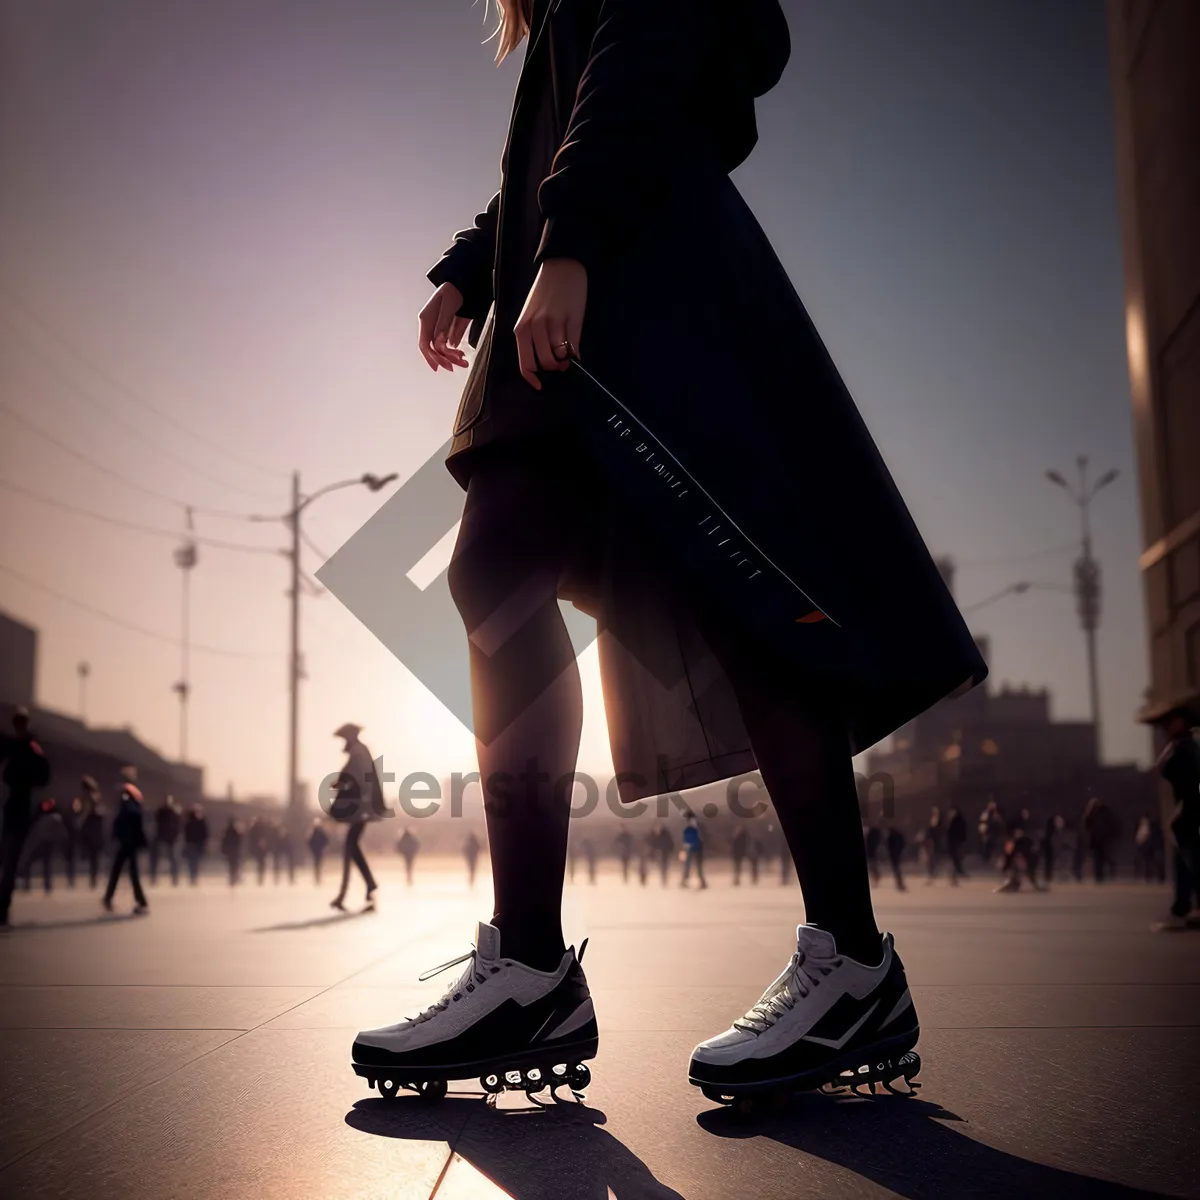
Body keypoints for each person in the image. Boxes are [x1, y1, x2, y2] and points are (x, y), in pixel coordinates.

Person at [350, 0, 984, 1106]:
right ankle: (540, 964)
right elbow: (566, 131)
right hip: (594, 268)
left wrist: (573, 242)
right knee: (520, 573)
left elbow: (644, 52)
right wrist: (474, 262)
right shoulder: (552, 21)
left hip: (638, 284)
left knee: (734, 596)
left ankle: (843, 963)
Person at [1149, 706, 1200, 931]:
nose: (1165, 729)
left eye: (1169, 724)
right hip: (1189, 810)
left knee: (1191, 861)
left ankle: (1183, 909)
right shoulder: (1188, 746)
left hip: (1191, 810)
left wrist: (1182, 811)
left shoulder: (1185, 748)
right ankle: (1181, 908)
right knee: (1186, 860)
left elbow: (1162, 768)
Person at [0, 707, 52, 926]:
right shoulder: (26, 747)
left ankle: (2, 904)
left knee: (10, 857)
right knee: (9, 857)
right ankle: (3, 903)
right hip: (16, 806)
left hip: (17, 806)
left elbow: (43, 776)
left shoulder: (24, 747)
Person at [329, 723, 382, 910]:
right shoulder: (359, 751)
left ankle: (357, 890)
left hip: (360, 807)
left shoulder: (358, 752)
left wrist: (345, 785)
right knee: (351, 848)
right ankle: (365, 887)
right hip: (361, 806)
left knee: (350, 847)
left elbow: (360, 778)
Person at [103, 776, 149, 914]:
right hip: (129, 843)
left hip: (127, 843)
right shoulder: (133, 805)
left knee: (122, 871)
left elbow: (122, 823)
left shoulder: (128, 805)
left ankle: (110, 898)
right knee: (126, 872)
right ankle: (139, 901)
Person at [20, 797, 68, 894]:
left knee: (47, 865)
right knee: (29, 863)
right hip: (38, 844)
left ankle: (47, 886)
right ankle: (27, 885)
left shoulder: (54, 817)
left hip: (48, 845)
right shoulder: (39, 816)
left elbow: (62, 833)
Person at [78, 777, 106, 889]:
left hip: (92, 829)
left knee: (93, 856)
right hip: (92, 829)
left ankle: (93, 878)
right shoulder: (90, 797)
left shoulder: (89, 798)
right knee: (93, 856)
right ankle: (93, 878)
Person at [149, 796, 182, 886]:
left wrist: (176, 836)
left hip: (171, 839)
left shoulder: (174, 813)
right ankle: (153, 878)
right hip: (161, 837)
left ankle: (175, 879)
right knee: (155, 858)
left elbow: (178, 826)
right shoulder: (160, 812)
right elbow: (155, 824)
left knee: (174, 859)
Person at [679, 813, 707, 889]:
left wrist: (686, 845)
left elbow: (689, 838)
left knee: (691, 866)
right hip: (693, 848)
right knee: (693, 866)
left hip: (694, 848)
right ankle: (701, 882)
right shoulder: (692, 827)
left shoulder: (692, 827)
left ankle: (686, 881)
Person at [183, 806, 209, 885]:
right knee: (194, 862)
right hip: (194, 843)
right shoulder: (199, 822)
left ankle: (193, 877)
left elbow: (205, 833)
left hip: (195, 843)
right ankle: (193, 877)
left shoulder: (198, 822)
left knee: (193, 862)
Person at [1041, 814, 1064, 889]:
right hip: (1050, 847)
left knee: (1050, 863)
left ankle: (1048, 876)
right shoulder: (1051, 831)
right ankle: (1047, 877)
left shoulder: (1053, 830)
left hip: (1051, 847)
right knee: (1049, 862)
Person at [945, 807, 967, 885]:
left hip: (956, 843)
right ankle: (954, 876)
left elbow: (960, 832)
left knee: (955, 860)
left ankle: (955, 876)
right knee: (955, 860)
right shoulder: (954, 821)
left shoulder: (956, 821)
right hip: (954, 843)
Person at [923, 806, 944, 884]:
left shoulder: (937, 822)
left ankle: (932, 873)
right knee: (930, 858)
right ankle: (931, 872)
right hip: (930, 842)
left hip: (933, 842)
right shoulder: (932, 821)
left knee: (932, 858)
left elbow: (935, 832)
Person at [220, 819, 243, 887]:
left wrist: (223, 850)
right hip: (234, 851)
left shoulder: (226, 831)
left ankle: (232, 878)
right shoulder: (235, 831)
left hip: (229, 851)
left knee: (231, 865)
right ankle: (234, 877)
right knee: (235, 865)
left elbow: (224, 841)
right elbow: (239, 841)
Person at [307, 819, 329, 884]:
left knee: (317, 864)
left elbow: (309, 841)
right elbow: (326, 840)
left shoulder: (314, 832)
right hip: (318, 850)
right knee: (318, 864)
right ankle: (317, 877)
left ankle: (317, 877)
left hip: (317, 850)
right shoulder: (319, 831)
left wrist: (312, 849)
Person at [886, 826, 907, 892]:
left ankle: (899, 883)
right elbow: (903, 844)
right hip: (897, 854)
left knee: (896, 869)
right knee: (896, 869)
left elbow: (888, 846)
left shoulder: (891, 837)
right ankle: (899, 883)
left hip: (894, 854)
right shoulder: (898, 836)